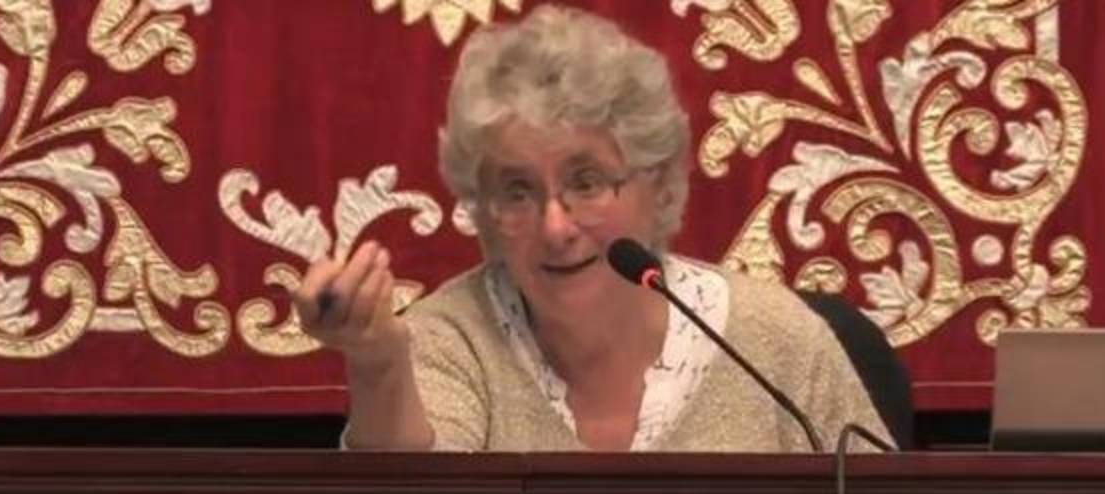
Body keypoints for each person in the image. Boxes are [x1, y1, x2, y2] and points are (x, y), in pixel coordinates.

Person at [293, 4, 892, 452]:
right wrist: (379, 363)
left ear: (658, 184)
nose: (556, 227)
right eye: (517, 191)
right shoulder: (450, 340)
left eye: (586, 182)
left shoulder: (780, 343)